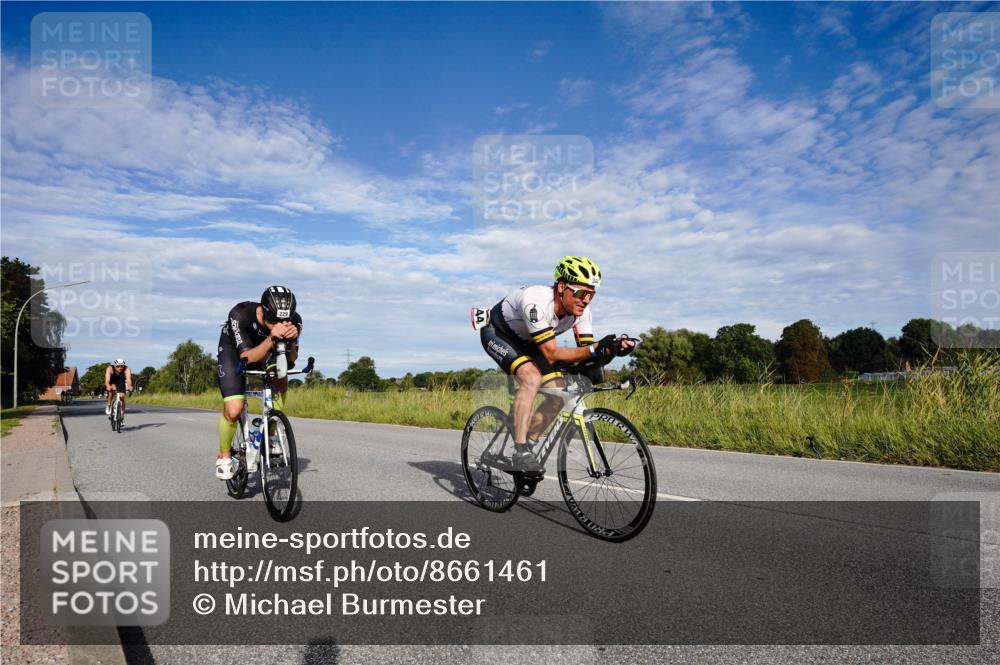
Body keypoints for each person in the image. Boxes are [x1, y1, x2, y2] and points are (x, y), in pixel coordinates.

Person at [478, 256, 634, 474]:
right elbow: (551, 353)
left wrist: (611, 351)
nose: (586, 300)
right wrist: (597, 348)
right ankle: (520, 451)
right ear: (562, 287)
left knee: (560, 392)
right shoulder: (536, 301)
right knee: (530, 377)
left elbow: (587, 356)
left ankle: (529, 447)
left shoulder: (582, 313)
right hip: (499, 334)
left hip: (534, 343)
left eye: (591, 294)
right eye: (581, 293)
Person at [215, 286, 302, 480]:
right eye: (273, 321)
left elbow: (291, 360)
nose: (278, 325)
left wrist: (293, 341)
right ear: (262, 311)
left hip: (268, 349)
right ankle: (224, 454)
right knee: (234, 409)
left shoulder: (295, 321)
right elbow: (248, 357)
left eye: (283, 321)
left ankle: (271, 434)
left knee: (281, 377)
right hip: (236, 352)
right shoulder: (240, 314)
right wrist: (272, 337)